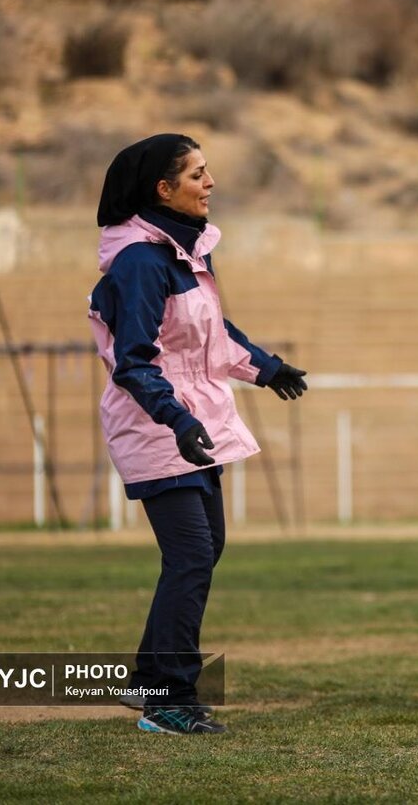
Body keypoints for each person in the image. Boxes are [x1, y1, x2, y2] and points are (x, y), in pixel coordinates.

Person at [89, 134, 309, 734]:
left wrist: (266, 367)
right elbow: (134, 362)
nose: (210, 183)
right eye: (197, 174)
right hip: (155, 424)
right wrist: (178, 421)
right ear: (164, 190)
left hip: (193, 423)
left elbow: (211, 332)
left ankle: (146, 680)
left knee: (202, 551)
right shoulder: (138, 262)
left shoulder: (184, 252)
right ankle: (170, 700)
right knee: (190, 557)